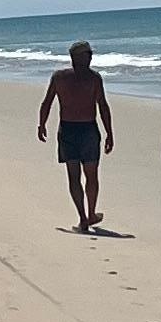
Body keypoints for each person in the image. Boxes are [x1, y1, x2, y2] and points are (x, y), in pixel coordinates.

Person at [37, 40, 114, 232]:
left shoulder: (61, 77)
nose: (91, 57)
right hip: (85, 130)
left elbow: (47, 103)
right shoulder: (92, 78)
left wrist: (42, 124)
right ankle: (87, 215)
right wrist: (109, 133)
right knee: (87, 175)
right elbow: (102, 106)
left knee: (79, 175)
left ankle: (86, 217)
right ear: (77, 57)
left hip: (71, 130)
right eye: (88, 54)